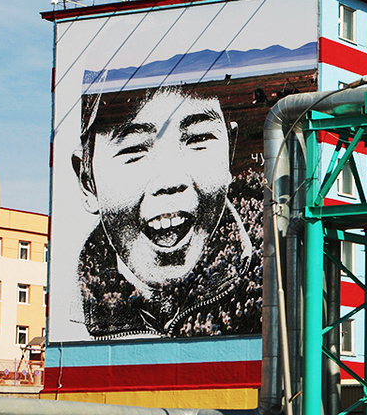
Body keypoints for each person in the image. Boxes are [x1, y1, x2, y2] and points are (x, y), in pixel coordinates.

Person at [72, 87, 265, 338]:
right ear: (88, 182)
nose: (170, 180)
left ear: (230, 152)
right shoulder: (72, 314)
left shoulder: (281, 285)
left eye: (197, 139)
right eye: (134, 149)